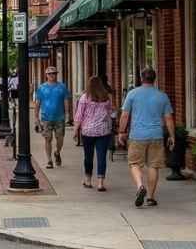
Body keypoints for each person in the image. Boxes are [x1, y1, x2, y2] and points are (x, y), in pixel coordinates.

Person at [117, 67, 175, 207]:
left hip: (137, 135)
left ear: (141, 78)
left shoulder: (132, 94)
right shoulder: (162, 96)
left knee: (134, 163)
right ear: (154, 79)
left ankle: (140, 186)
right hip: (156, 135)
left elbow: (125, 115)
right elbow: (168, 118)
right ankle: (150, 197)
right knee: (153, 166)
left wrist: (121, 132)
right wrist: (172, 136)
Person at [74, 75, 114, 191]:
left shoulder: (84, 98)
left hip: (88, 131)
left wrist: (76, 130)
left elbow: (79, 115)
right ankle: (100, 183)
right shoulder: (106, 98)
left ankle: (88, 180)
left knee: (88, 156)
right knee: (102, 156)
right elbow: (110, 112)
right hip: (103, 131)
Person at [34, 66, 72, 168]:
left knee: (60, 139)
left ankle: (57, 152)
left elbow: (66, 101)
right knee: (48, 139)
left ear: (56, 74)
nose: (52, 75)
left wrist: (67, 114)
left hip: (60, 118)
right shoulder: (41, 88)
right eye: (50, 73)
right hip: (46, 118)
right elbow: (37, 103)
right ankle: (49, 160)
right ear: (46, 75)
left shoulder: (62, 87)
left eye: (54, 73)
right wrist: (36, 118)